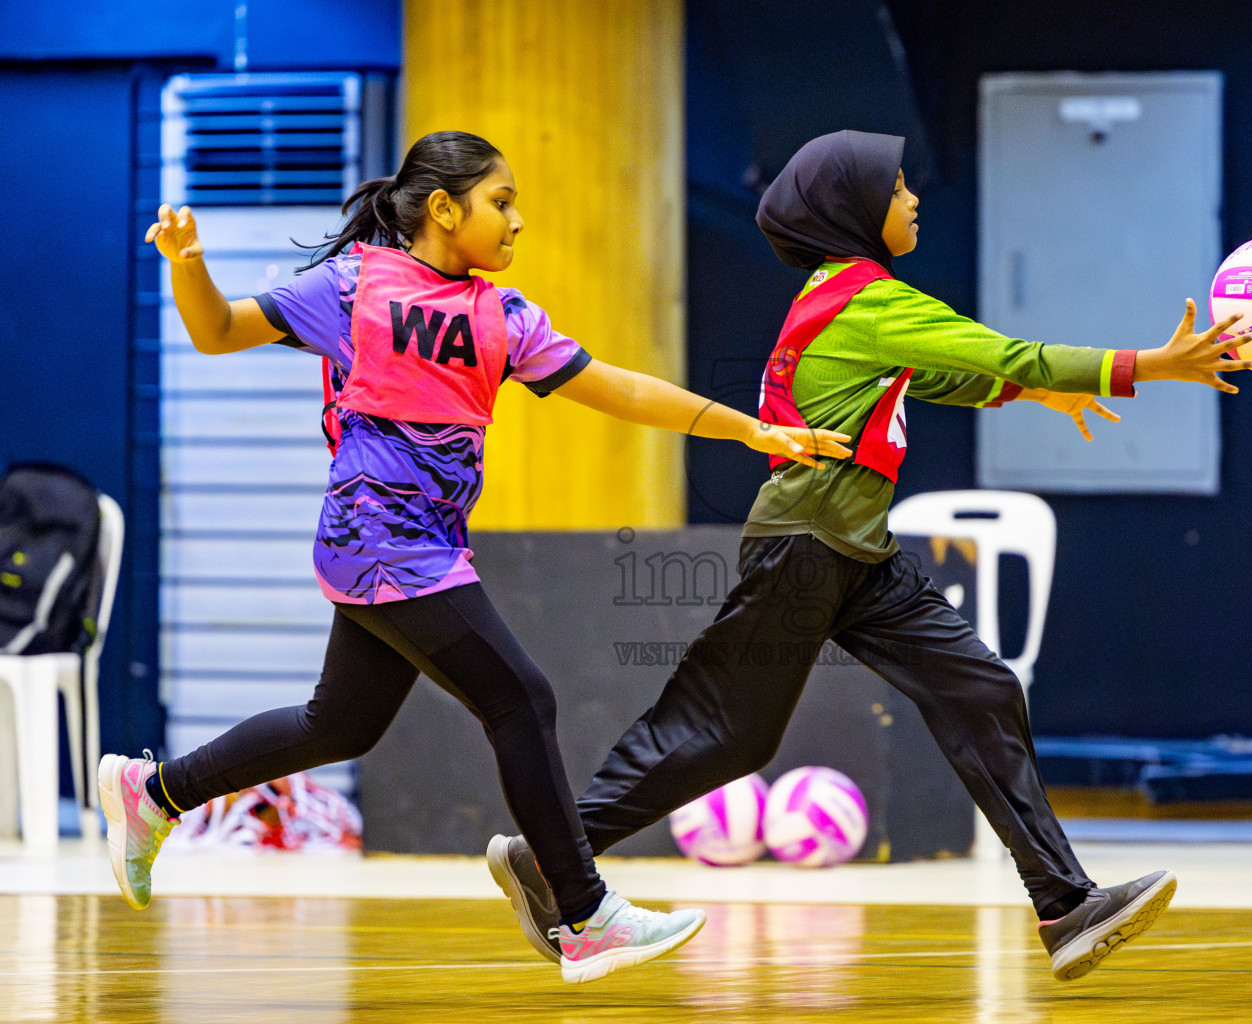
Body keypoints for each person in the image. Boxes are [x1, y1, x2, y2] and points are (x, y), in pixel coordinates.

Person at [487, 129, 1252, 982]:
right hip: (804, 548)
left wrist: (1036, 388)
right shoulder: (865, 301)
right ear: (854, 212)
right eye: (897, 189)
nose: (914, 199)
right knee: (720, 733)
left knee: (981, 687)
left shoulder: (844, 301)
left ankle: (1066, 905)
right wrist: (1153, 365)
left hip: (855, 553)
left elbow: (944, 376)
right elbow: (1001, 353)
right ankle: (550, 858)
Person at [97, 130, 850, 986]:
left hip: (424, 548)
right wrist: (190, 263)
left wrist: (749, 427)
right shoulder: (354, 287)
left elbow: (621, 388)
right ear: (445, 209)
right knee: (521, 699)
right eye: (502, 202)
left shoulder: (504, 316)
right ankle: (582, 913)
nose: (518, 220)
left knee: (339, 725)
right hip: (379, 540)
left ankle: (154, 795)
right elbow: (217, 329)